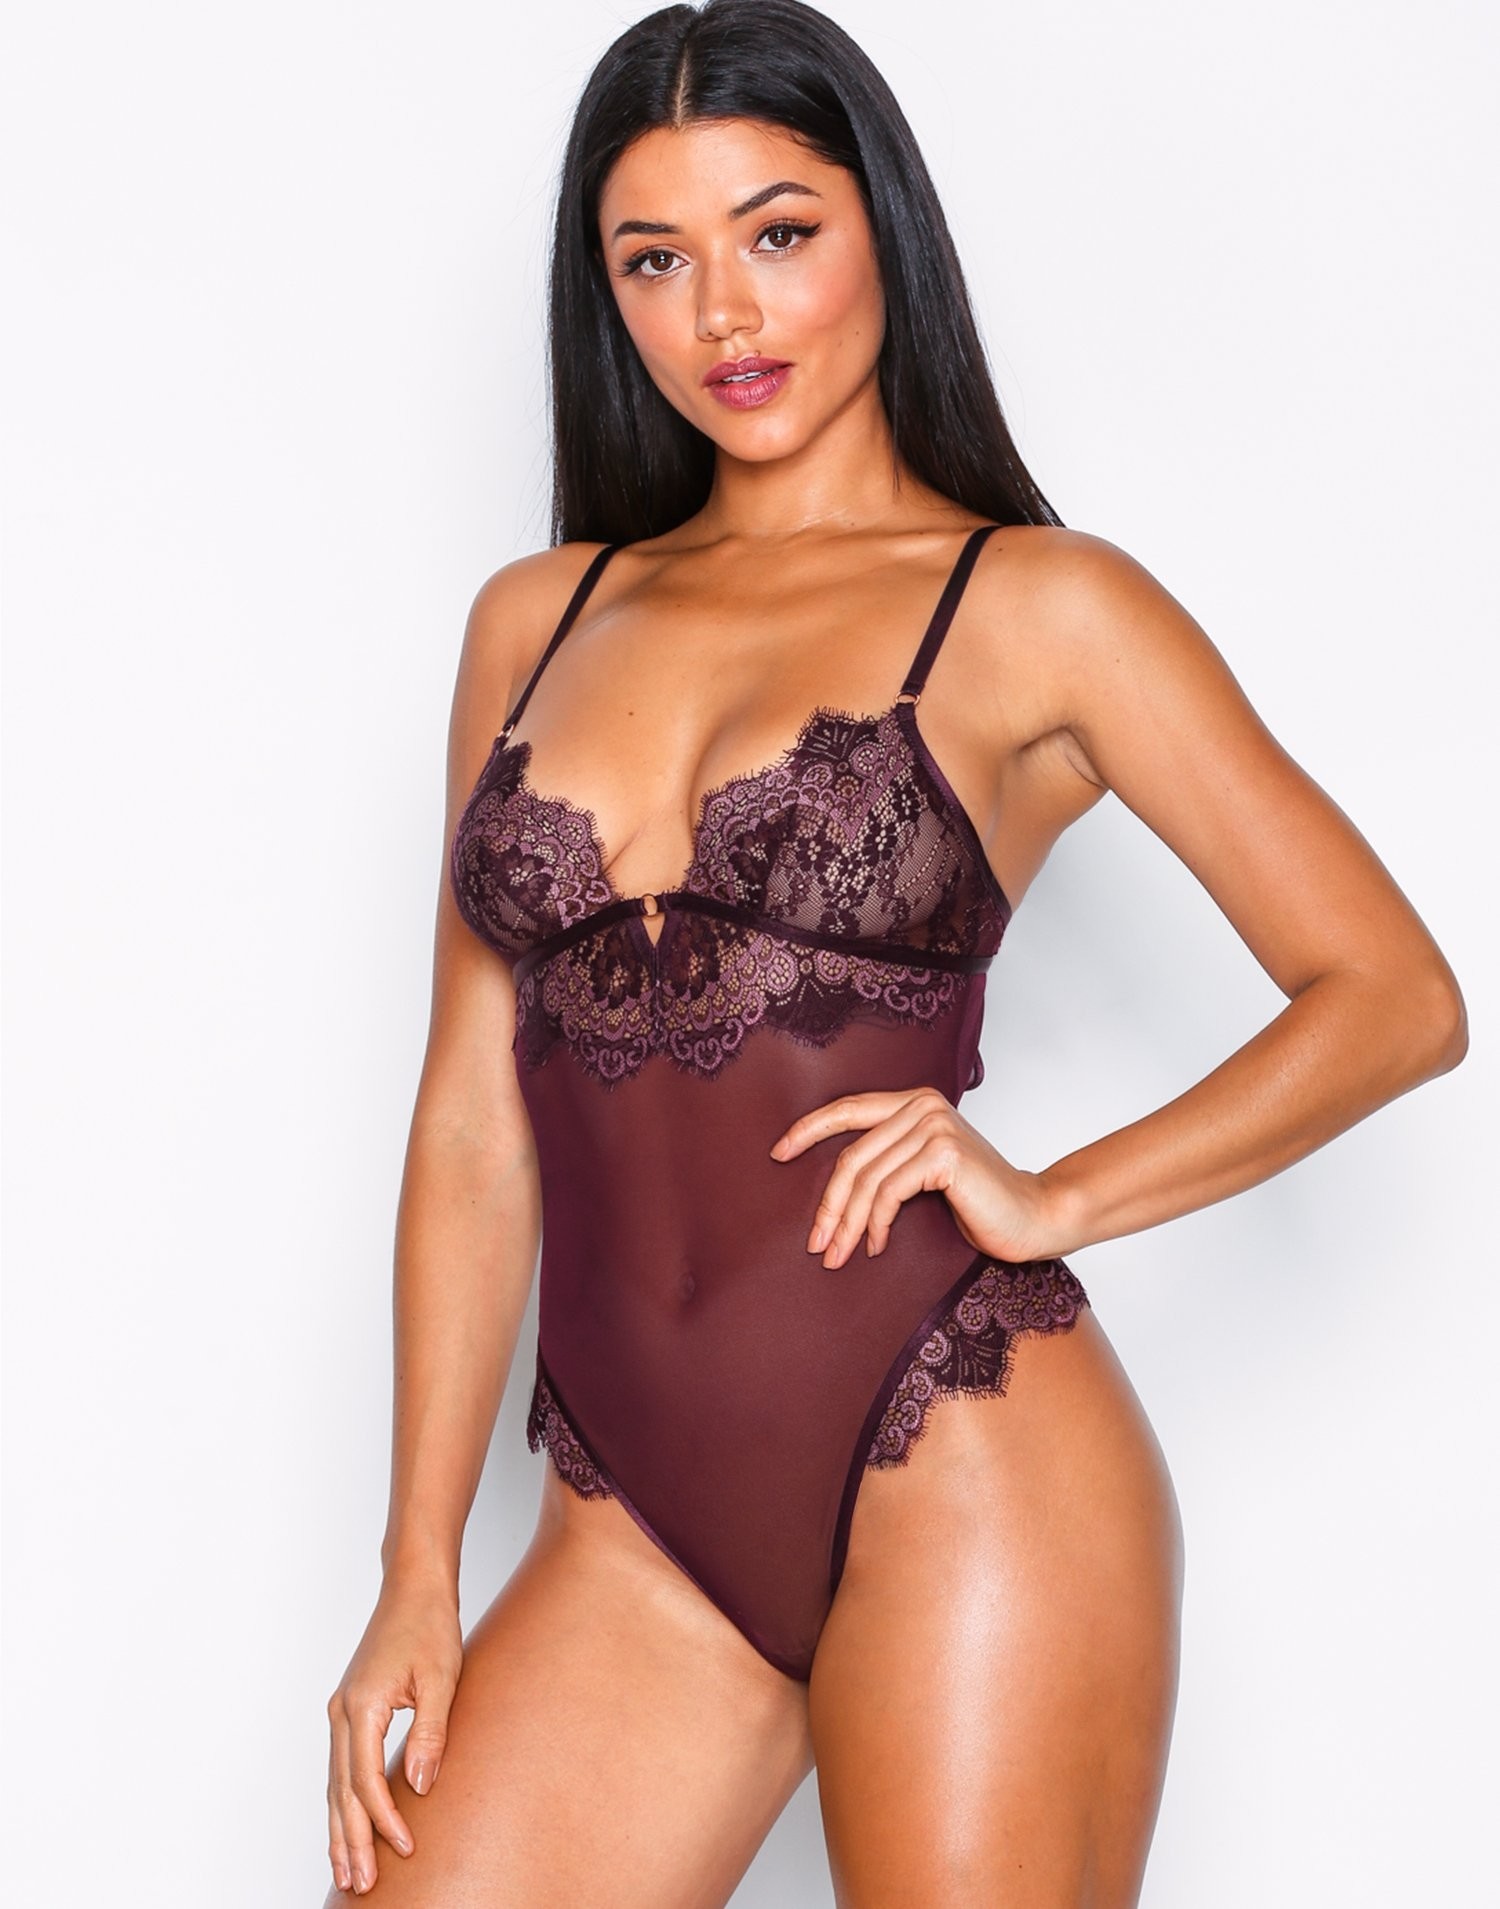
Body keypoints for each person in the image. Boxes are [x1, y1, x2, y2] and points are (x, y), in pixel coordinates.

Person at [322, 2, 1468, 1901]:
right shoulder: (534, 620)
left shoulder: (1039, 606)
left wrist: (1055, 1193)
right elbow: (469, 1124)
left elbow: (1394, 996)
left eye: (779, 233)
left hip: (962, 1452)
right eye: (654, 260)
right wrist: (415, 1567)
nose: (725, 312)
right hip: (626, 1520)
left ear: (886, 231)